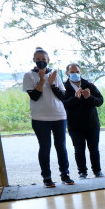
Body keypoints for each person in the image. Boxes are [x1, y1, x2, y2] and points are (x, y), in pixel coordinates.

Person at [22, 47, 73, 188]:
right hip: (40, 118)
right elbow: (34, 96)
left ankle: (65, 175)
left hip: (59, 116)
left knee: (61, 146)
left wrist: (51, 84)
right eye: (38, 60)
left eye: (43, 60)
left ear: (48, 60)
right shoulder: (28, 75)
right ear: (34, 60)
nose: (41, 62)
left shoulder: (55, 74)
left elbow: (62, 96)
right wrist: (41, 80)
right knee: (45, 147)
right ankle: (47, 177)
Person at [62, 63, 105, 178]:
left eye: (77, 72)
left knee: (94, 149)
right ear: (67, 73)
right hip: (74, 126)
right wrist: (75, 98)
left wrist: (89, 97)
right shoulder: (63, 87)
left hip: (92, 124)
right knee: (79, 150)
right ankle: (82, 172)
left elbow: (100, 101)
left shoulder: (88, 85)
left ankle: (97, 171)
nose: (75, 74)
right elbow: (63, 104)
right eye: (72, 72)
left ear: (80, 72)